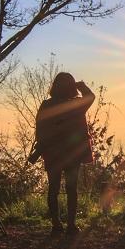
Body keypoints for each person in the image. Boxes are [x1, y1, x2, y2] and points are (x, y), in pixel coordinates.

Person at [32, 73, 95, 236]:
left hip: (52, 153)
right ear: (71, 87)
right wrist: (80, 85)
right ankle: (71, 225)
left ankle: (56, 224)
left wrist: (42, 146)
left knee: (53, 189)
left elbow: (39, 128)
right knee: (71, 189)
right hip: (72, 154)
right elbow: (91, 96)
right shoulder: (76, 104)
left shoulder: (46, 105)